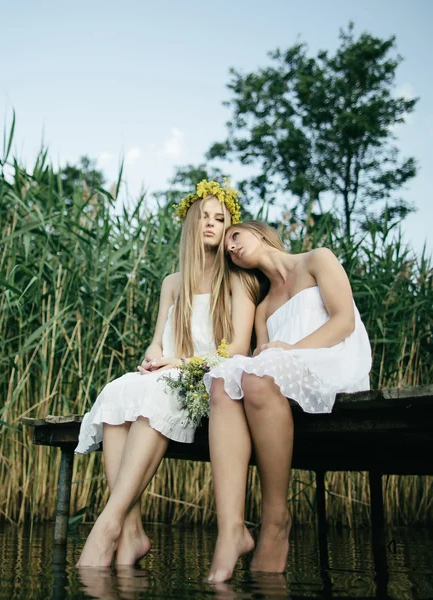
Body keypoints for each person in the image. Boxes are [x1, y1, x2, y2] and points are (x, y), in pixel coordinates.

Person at [74, 181, 256, 567]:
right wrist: (155, 357)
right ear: (190, 224)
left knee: (158, 394)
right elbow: (158, 342)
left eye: (219, 218)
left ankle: (109, 524)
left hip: (206, 379)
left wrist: (180, 365)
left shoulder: (238, 281)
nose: (210, 223)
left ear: (228, 229)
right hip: (168, 374)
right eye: (203, 216)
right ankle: (133, 531)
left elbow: (237, 350)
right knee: (117, 392)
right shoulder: (172, 284)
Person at [204, 221, 372, 583]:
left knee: (259, 373)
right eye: (227, 250)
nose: (231, 247)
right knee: (222, 381)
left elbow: (344, 321)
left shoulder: (316, 260)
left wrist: (292, 350)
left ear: (260, 233)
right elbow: (263, 352)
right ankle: (230, 528)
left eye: (235, 236)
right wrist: (276, 354)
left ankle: (275, 518)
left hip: (332, 358)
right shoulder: (263, 308)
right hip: (282, 375)